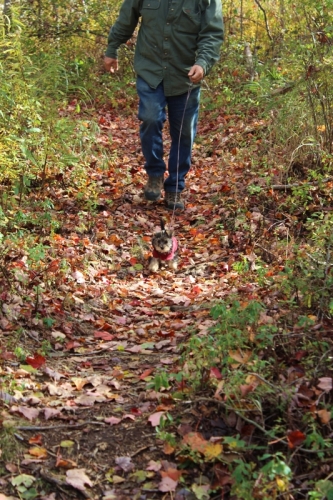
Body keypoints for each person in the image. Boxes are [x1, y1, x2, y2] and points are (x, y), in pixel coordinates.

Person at [104, 0, 224, 210]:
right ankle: (155, 173)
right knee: (150, 118)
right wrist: (112, 48)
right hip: (150, 71)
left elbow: (212, 33)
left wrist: (203, 63)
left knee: (184, 132)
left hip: (185, 76)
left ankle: (175, 187)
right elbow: (127, 18)